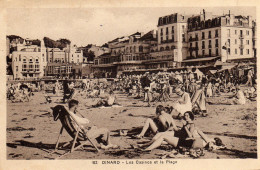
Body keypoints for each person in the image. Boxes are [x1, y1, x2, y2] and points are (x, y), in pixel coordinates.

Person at [144, 111, 216, 151]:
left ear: (190, 117)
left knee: (161, 136)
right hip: (179, 136)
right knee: (160, 135)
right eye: (185, 115)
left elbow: (190, 135)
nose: (185, 117)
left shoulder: (192, 124)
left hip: (180, 137)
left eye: (187, 116)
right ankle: (148, 145)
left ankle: (147, 145)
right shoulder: (187, 123)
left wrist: (184, 126)